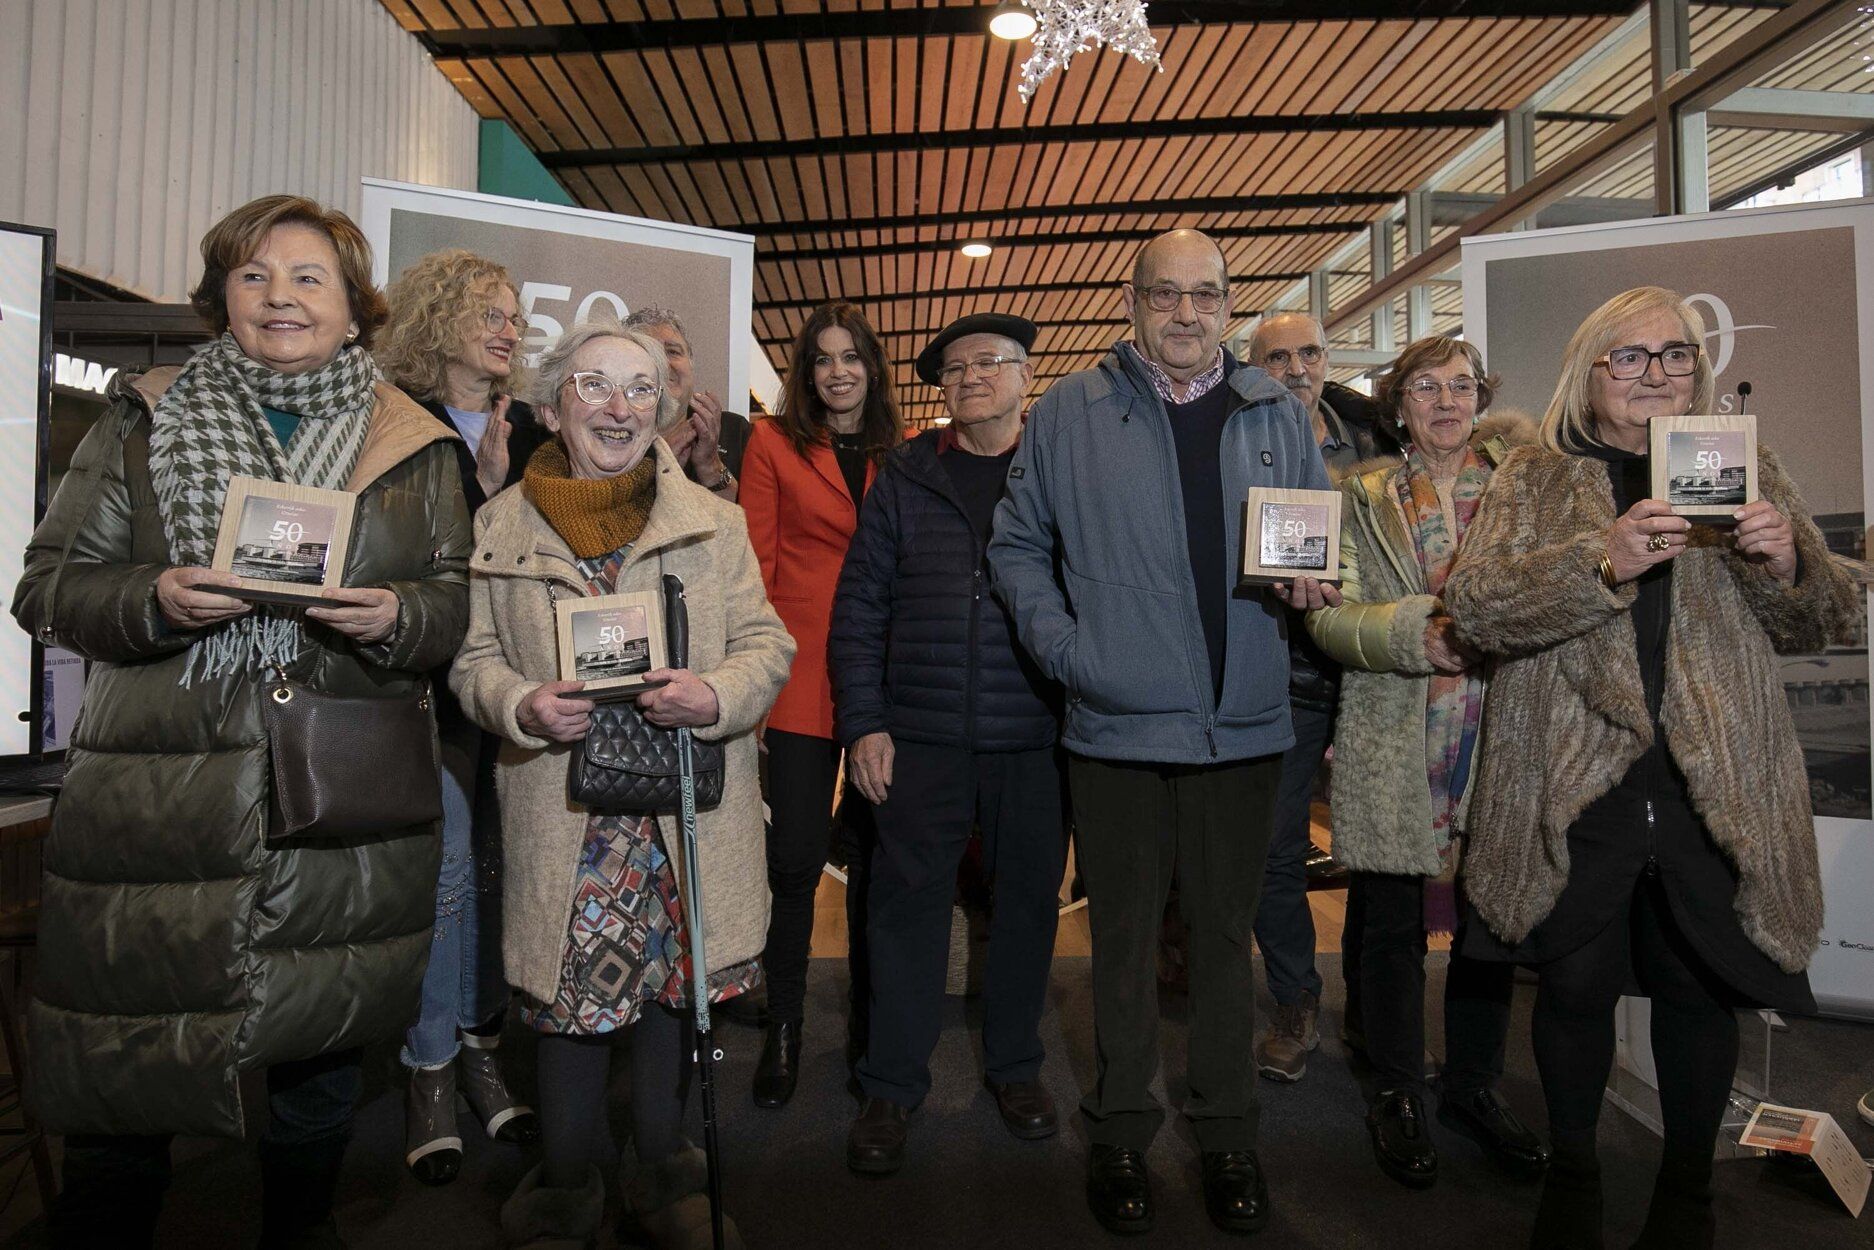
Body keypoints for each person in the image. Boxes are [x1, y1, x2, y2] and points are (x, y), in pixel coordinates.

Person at [12, 194, 470, 1247]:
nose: (280, 297)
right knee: (125, 1073)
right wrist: (152, 598)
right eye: (254, 275)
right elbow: (49, 586)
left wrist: (401, 614)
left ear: (356, 310)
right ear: (221, 295)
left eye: (309, 277)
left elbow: (455, 605)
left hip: (333, 797)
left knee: (317, 1064)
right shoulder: (146, 411)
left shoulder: (414, 439)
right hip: (156, 799)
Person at [1443, 287, 1857, 1249]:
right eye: (1629, 358)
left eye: (1674, 355)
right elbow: (1481, 609)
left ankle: (1687, 1196)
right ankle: (1575, 1176)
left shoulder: (1745, 465)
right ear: (1588, 373)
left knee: (1696, 988)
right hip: (1574, 777)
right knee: (1577, 987)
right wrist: (1603, 560)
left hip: (1711, 780)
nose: (1656, 373)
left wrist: (1789, 561)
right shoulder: (1538, 478)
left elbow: (1822, 622)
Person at [990, 229, 1336, 1236]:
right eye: (1165, 293)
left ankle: (1228, 1134)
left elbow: (1312, 535)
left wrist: (1312, 586)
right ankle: (1119, 1134)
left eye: (1205, 294)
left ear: (1228, 304)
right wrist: (1072, 651)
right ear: (1131, 300)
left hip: (1244, 726)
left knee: (1226, 947)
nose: (1185, 313)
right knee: (1126, 946)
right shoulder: (1068, 411)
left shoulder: (1274, 410)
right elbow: (1015, 547)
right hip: (1115, 726)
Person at [450, 317, 794, 1249]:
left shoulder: (713, 525)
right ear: (556, 403)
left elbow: (769, 646)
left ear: (666, 409)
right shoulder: (500, 527)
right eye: (595, 385)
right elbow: (473, 657)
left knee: (668, 1002)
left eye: (641, 389)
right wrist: (521, 705)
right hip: (567, 813)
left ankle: (664, 1175)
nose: (618, 407)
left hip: (683, 813)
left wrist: (712, 693)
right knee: (566, 1010)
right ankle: (568, 1189)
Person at [1303, 336, 1547, 1188]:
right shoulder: (1357, 495)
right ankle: (1398, 1088)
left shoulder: (1529, 490)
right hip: (1394, 728)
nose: (1446, 401)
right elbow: (1329, 621)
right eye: (1426, 387)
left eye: (1463, 385)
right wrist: (1418, 635)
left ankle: (1473, 1086)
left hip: (1506, 728)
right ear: (1397, 403)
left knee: (1488, 926)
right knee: (1392, 924)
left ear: (1483, 396)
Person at [830, 313, 1066, 1175]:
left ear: (1023, 376)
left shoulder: (1059, 471)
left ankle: (1015, 1069)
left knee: (1028, 910)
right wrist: (864, 720)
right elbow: (858, 606)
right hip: (918, 735)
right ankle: (890, 1085)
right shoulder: (906, 478)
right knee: (905, 913)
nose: (972, 376)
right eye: (955, 367)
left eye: (990, 362)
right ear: (941, 388)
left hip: (1034, 734)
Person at [376, 248, 546, 1183]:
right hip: (421, 691)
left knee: (491, 870)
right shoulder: (394, 423)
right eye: (490, 309)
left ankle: (485, 1052)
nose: (509, 326)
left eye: (515, 314)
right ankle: (430, 1069)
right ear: (439, 317)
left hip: (512, 689)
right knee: (443, 875)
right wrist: (478, 495)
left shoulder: (528, 430)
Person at [739, 301, 903, 1107]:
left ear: (872, 370)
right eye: (822, 359)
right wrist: (757, 696)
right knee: (795, 864)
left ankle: (875, 1030)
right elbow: (756, 575)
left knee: (879, 862)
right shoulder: (771, 446)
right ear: (805, 374)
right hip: (799, 679)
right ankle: (785, 1030)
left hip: (883, 680)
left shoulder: (898, 455)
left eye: (852, 358)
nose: (837, 371)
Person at [1241, 312, 1397, 1081]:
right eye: (1277, 357)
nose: (1296, 368)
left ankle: (1377, 1015)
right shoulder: (1233, 440)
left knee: (1380, 849)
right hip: (1285, 673)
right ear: (1253, 367)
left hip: (1377, 671)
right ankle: (1297, 999)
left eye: (1308, 353)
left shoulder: (1374, 439)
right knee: (1274, 846)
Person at [626, 306, 748, 500]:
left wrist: (711, 467)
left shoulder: (734, 430)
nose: (664, 364)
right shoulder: (613, 435)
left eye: (673, 352)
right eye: (649, 353)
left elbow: (752, 522)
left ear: (691, 364)